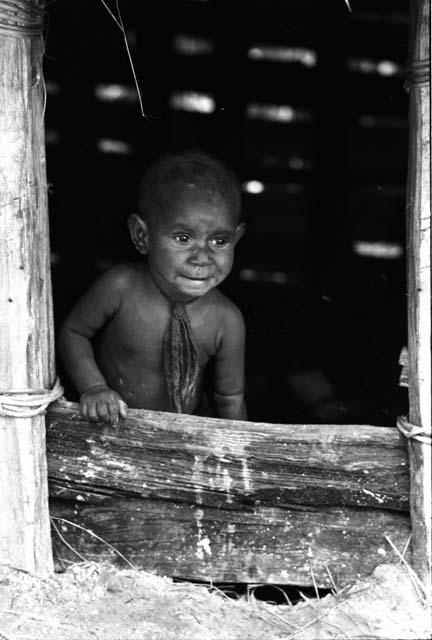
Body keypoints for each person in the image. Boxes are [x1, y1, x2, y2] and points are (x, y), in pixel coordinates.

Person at [58, 151, 247, 425]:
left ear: (237, 238)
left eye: (219, 241)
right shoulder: (121, 287)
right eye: (183, 238)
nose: (202, 257)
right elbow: (73, 333)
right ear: (141, 235)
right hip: (112, 424)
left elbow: (230, 398)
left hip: (182, 435)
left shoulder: (227, 319)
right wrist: (94, 388)